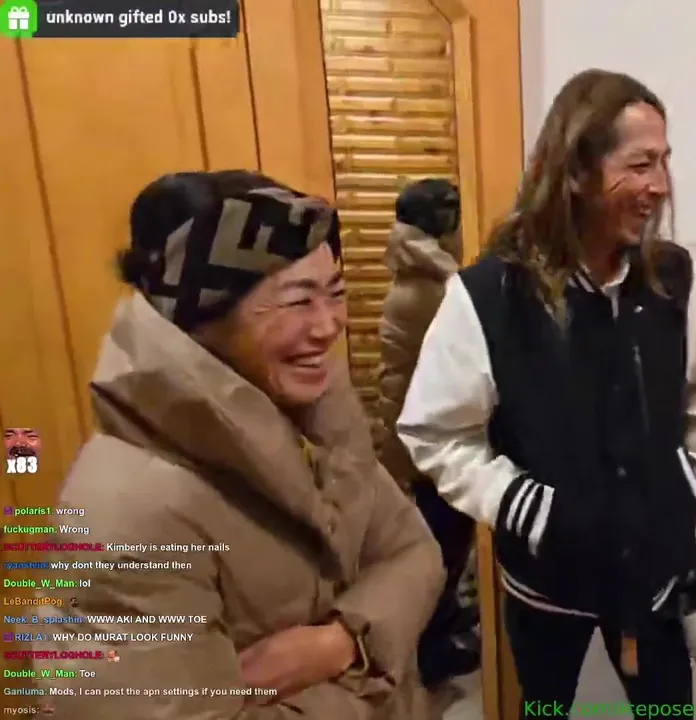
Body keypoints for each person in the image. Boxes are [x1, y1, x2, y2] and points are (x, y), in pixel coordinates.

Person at [31, 170, 445, 719]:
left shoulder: (320, 426)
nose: (330, 325)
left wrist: (342, 641)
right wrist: (372, 681)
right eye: (298, 301)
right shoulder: (127, 512)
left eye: (335, 293)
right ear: (203, 319)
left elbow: (415, 553)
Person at [396, 69, 696, 716]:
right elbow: (434, 434)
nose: (660, 185)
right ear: (577, 171)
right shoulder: (488, 296)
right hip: (545, 587)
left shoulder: (673, 280)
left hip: (658, 578)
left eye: (664, 162)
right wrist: (526, 507)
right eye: (640, 164)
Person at [370, 177, 480, 687]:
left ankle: (445, 620)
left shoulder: (421, 275)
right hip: (428, 440)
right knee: (443, 546)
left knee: (444, 538)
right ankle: (433, 649)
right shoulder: (436, 289)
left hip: (413, 433)